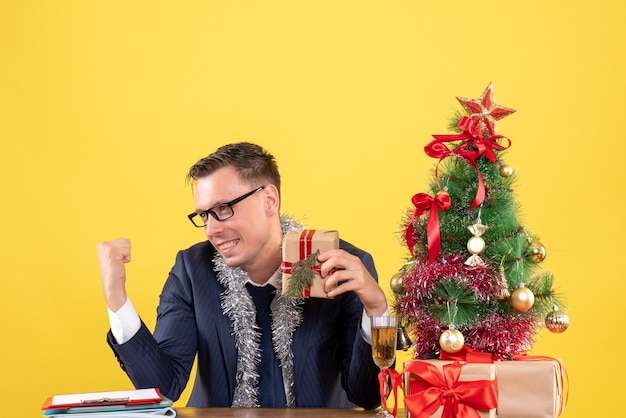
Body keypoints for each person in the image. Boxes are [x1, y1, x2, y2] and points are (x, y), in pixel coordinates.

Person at [96, 142, 388, 409]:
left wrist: (377, 312)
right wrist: (116, 297)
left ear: (269, 200)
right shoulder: (192, 269)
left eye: (223, 209)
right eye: (204, 215)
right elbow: (163, 388)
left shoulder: (340, 266)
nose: (211, 230)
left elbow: (368, 397)